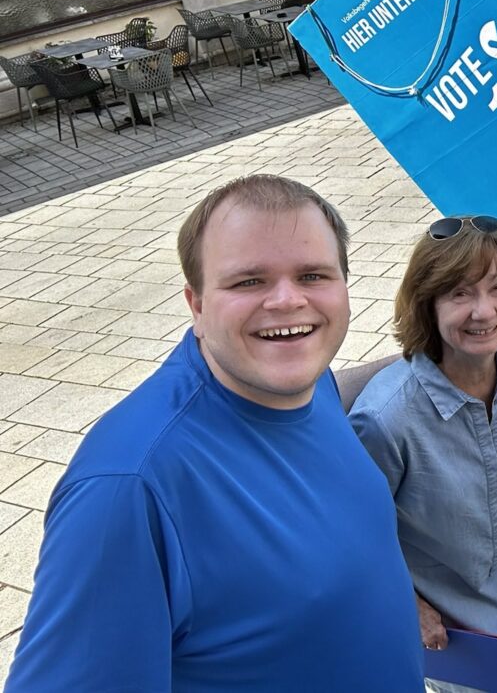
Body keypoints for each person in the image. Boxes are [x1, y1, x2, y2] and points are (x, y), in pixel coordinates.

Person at [5, 175, 424, 692]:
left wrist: (435, 357)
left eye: (314, 275)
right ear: (196, 304)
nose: (288, 301)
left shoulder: (304, 384)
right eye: (249, 281)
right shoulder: (128, 489)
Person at [349, 215, 497, 693]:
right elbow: (351, 531)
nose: (483, 312)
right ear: (428, 304)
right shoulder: (385, 419)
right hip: (438, 593)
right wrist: (406, 604)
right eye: (459, 293)